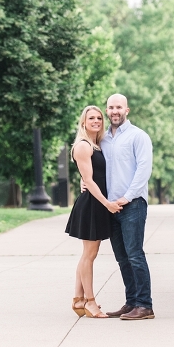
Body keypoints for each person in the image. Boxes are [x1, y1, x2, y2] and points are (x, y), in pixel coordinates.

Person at [65, 105, 124, 318]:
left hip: (96, 202)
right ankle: (90, 302)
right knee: (89, 255)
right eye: (91, 118)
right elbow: (88, 180)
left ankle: (78, 299)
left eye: (99, 118)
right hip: (92, 204)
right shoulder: (82, 146)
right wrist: (107, 203)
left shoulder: (95, 145)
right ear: (83, 122)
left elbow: (90, 176)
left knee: (88, 255)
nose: (96, 121)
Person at [102, 93, 155, 320]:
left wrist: (128, 196)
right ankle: (131, 302)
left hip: (132, 205)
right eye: (111, 107)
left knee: (135, 255)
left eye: (119, 107)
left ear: (127, 110)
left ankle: (145, 305)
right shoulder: (102, 139)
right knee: (122, 258)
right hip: (110, 207)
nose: (115, 111)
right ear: (107, 111)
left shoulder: (138, 136)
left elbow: (144, 170)